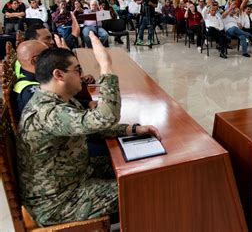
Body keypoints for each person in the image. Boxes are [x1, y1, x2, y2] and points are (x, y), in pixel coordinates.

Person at [16, 32, 161, 226]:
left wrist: (131, 129)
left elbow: (90, 125)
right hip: (58, 202)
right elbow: (106, 116)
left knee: (140, 169)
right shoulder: (49, 112)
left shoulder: (53, 99)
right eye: (77, 70)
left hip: (73, 176)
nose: (82, 75)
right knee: (146, 188)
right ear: (58, 75)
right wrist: (106, 66)